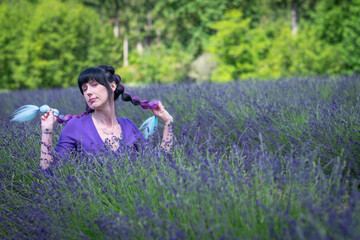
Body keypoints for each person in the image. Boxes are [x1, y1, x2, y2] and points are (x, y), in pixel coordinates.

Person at [40, 65, 174, 169]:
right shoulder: (75, 126)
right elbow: (50, 171)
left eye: (94, 85)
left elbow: (157, 164)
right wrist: (47, 131)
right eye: (84, 88)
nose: (89, 92)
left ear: (112, 86)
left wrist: (168, 123)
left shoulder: (128, 125)